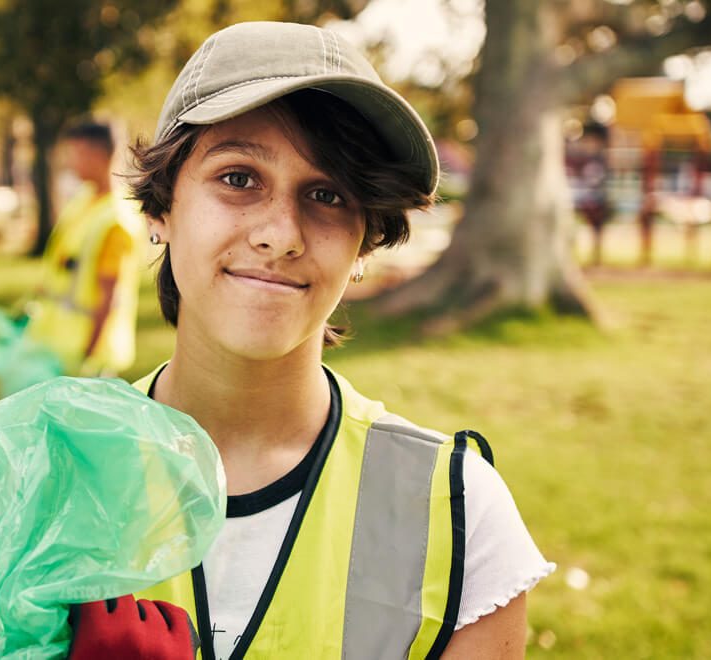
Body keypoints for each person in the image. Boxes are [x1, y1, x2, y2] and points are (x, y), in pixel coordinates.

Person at [68, 22, 553, 659]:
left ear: (363, 245)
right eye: (238, 178)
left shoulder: (457, 513)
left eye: (327, 194)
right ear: (160, 208)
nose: (281, 234)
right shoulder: (56, 473)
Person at [23, 121, 145, 378]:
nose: (71, 162)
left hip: (89, 356)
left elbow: (110, 296)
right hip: (61, 345)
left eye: (76, 153)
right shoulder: (83, 199)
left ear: (98, 154)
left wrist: (87, 356)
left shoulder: (117, 219)